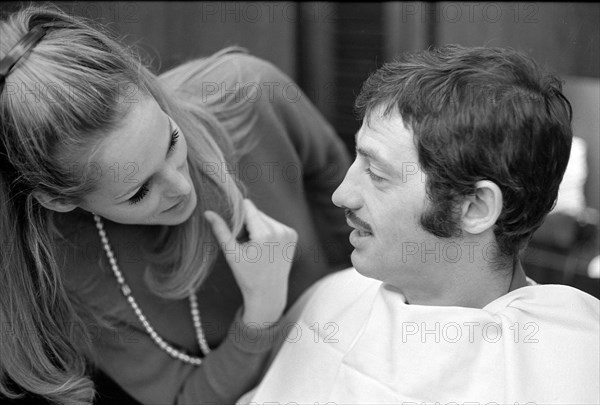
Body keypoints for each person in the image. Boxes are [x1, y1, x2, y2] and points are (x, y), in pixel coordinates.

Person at [0, 4, 351, 405]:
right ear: (60, 201)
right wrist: (261, 312)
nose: (181, 187)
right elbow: (184, 399)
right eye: (139, 192)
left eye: (170, 140)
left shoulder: (249, 92)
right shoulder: (64, 266)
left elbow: (342, 192)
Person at [244, 45, 600, 404]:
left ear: (475, 207)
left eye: (378, 174)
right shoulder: (333, 300)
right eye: (357, 159)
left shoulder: (572, 365)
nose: (342, 195)